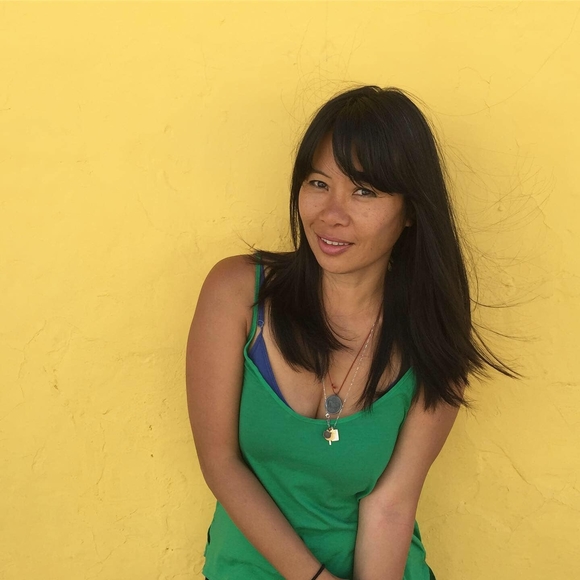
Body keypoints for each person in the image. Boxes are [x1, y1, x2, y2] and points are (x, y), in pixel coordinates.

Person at [186, 86, 515, 580]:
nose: (331, 214)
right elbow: (221, 463)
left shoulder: (431, 338)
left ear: (410, 211)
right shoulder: (238, 294)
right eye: (318, 183)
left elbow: (390, 506)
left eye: (364, 191)